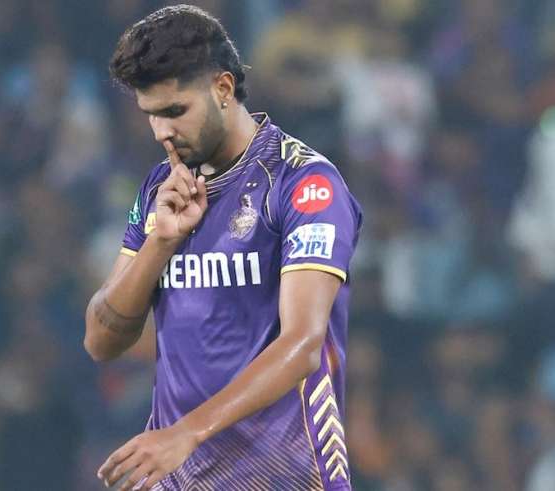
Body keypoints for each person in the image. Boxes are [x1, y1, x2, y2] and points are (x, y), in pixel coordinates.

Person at [84, 5, 362, 490]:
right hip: (180, 478)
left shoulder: (304, 184)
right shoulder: (160, 189)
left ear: (223, 88)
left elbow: (302, 345)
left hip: (287, 478)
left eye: (175, 111)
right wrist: (159, 242)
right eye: (151, 115)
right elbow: (101, 341)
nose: (162, 132)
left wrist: (186, 433)